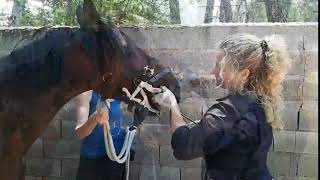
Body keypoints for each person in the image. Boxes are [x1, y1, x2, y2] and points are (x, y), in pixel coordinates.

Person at [152, 33, 290, 180]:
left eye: (220, 65)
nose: (213, 71)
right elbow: (229, 137)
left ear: (243, 74)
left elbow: (183, 146)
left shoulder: (228, 110)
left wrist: (172, 105)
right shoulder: (260, 102)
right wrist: (206, 112)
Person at [74, 90, 134, 180]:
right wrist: (94, 119)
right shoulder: (87, 92)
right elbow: (79, 134)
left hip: (118, 160)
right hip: (93, 161)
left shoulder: (126, 90)